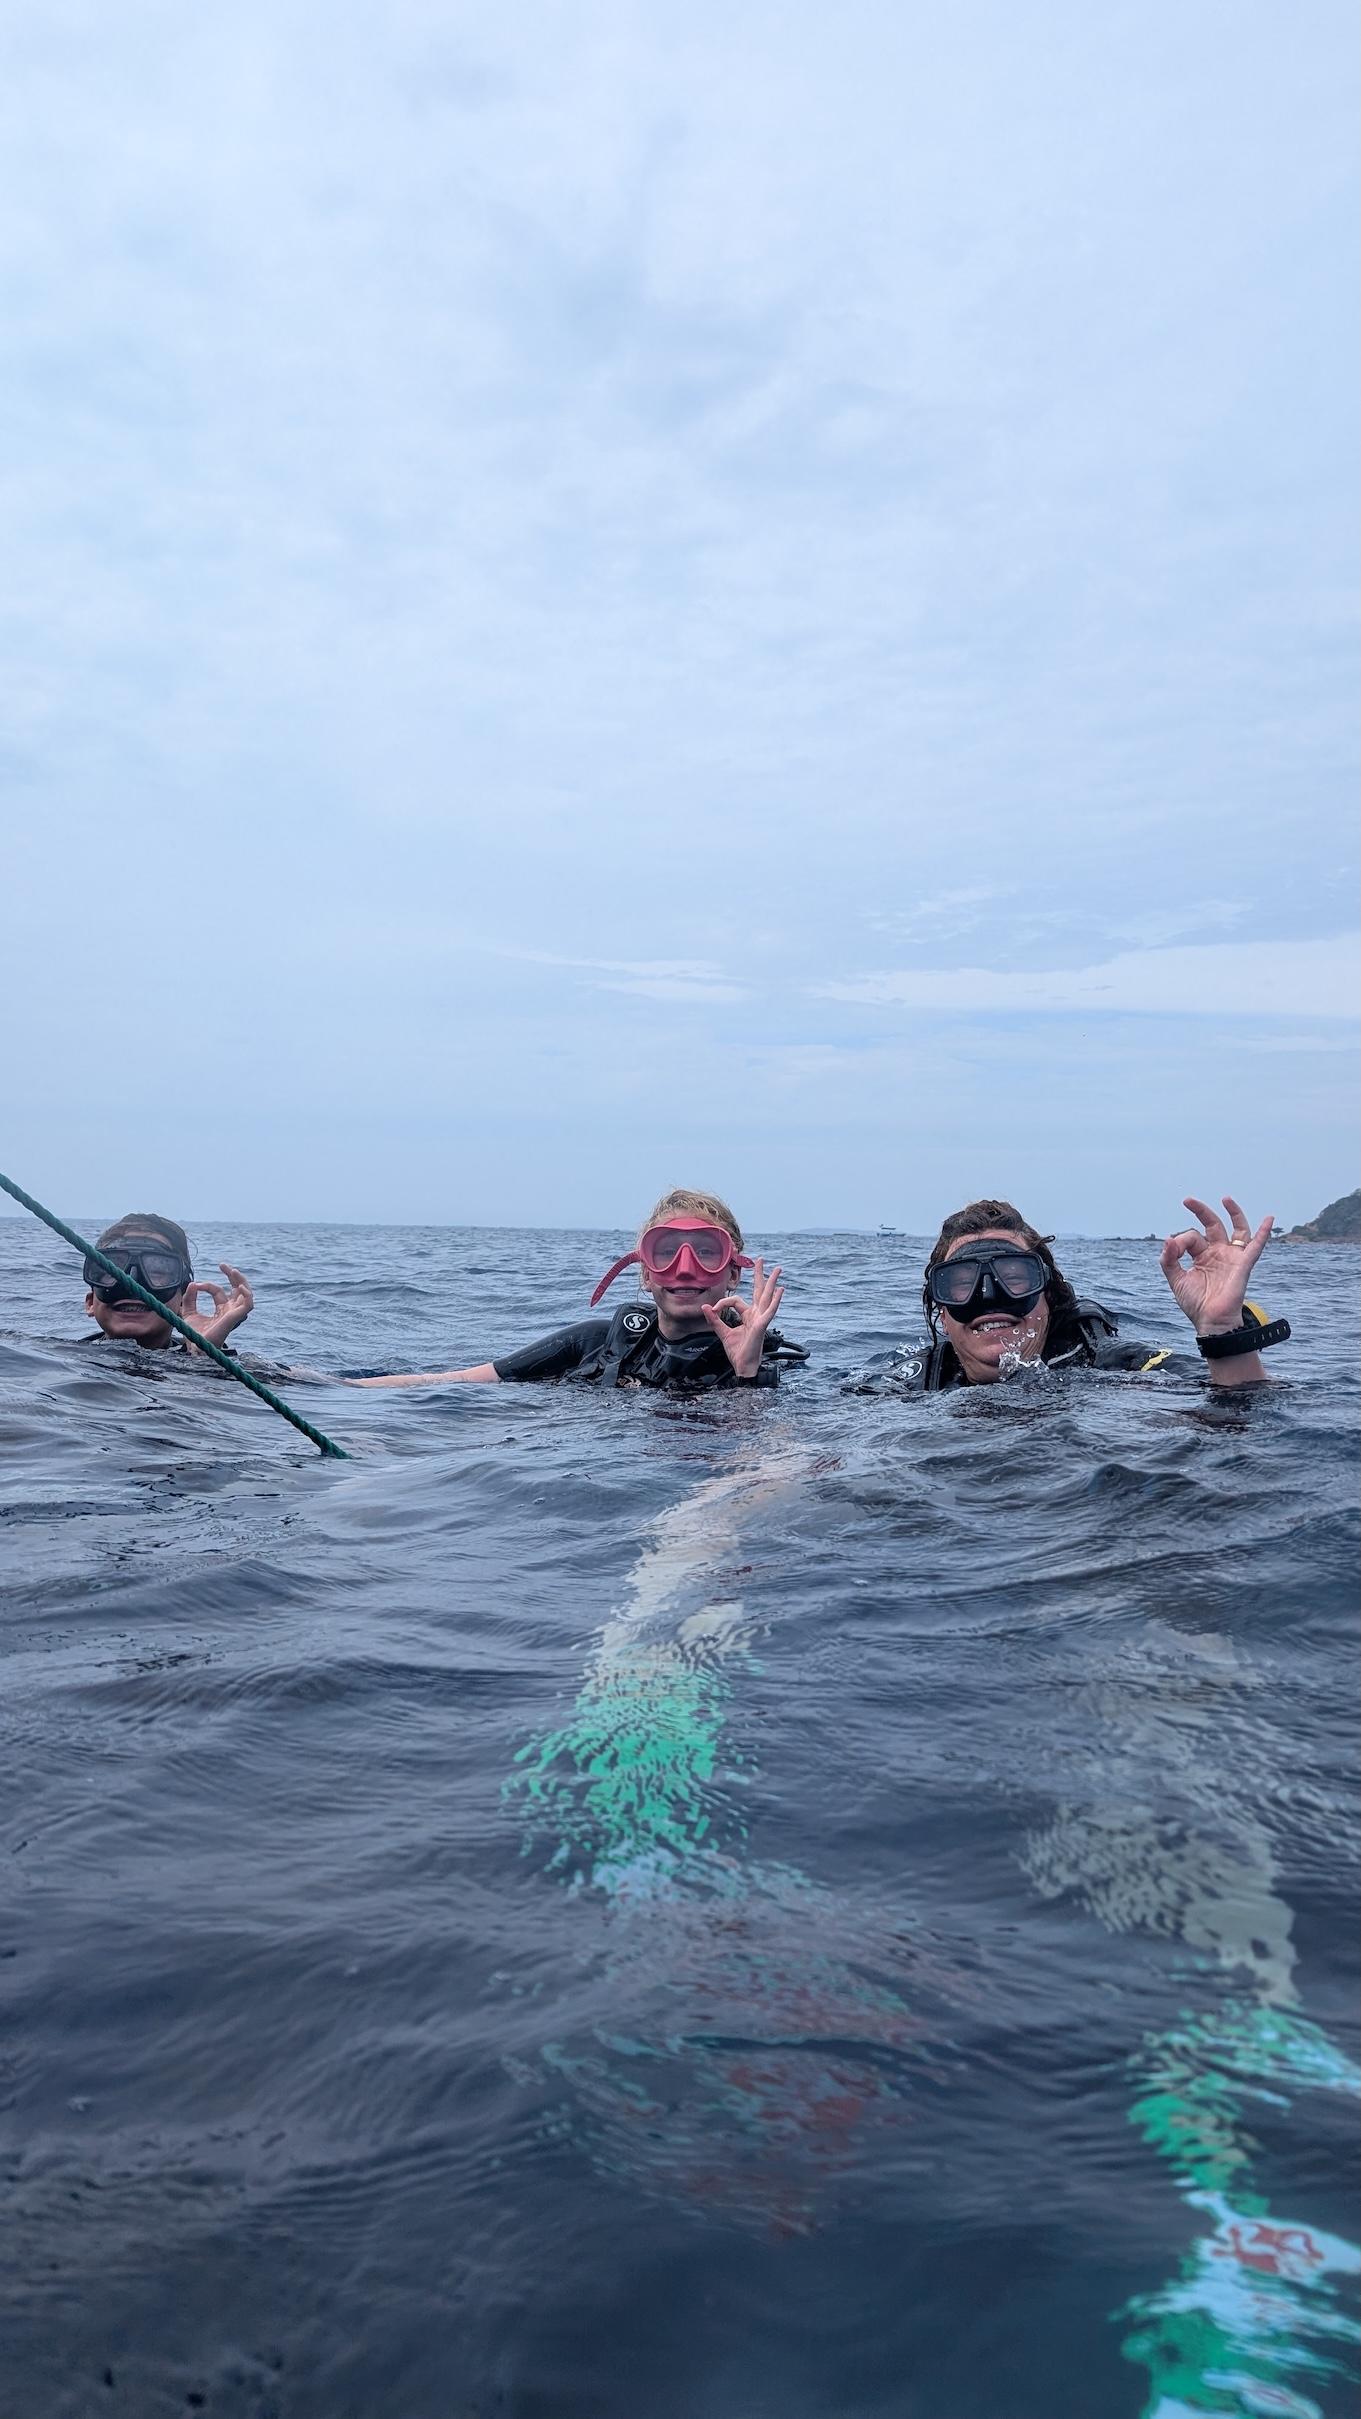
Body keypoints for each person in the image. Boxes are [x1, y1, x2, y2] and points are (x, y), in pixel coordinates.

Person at [351, 1188, 807, 1392]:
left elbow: (764, 1461)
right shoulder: (596, 1342)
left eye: (705, 1252)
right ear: (645, 1273)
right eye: (665, 1251)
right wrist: (328, 1386)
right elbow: (458, 1382)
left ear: (733, 1273)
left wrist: (747, 1376)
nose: (683, 1270)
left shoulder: (761, 1364)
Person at [868, 1193, 1287, 1392]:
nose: (989, 1296)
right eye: (961, 1284)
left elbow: (1239, 1415)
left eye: (1014, 1276)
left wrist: (1223, 1334)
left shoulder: (1114, 1369)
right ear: (942, 1312)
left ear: (1048, 1296)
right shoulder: (908, 1384)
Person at [81, 1213, 255, 1356]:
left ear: (182, 1301)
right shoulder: (63, 1358)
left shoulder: (208, 1359)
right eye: (114, 1271)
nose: (132, 1283)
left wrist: (205, 1356)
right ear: (90, 1302)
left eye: (157, 1272)